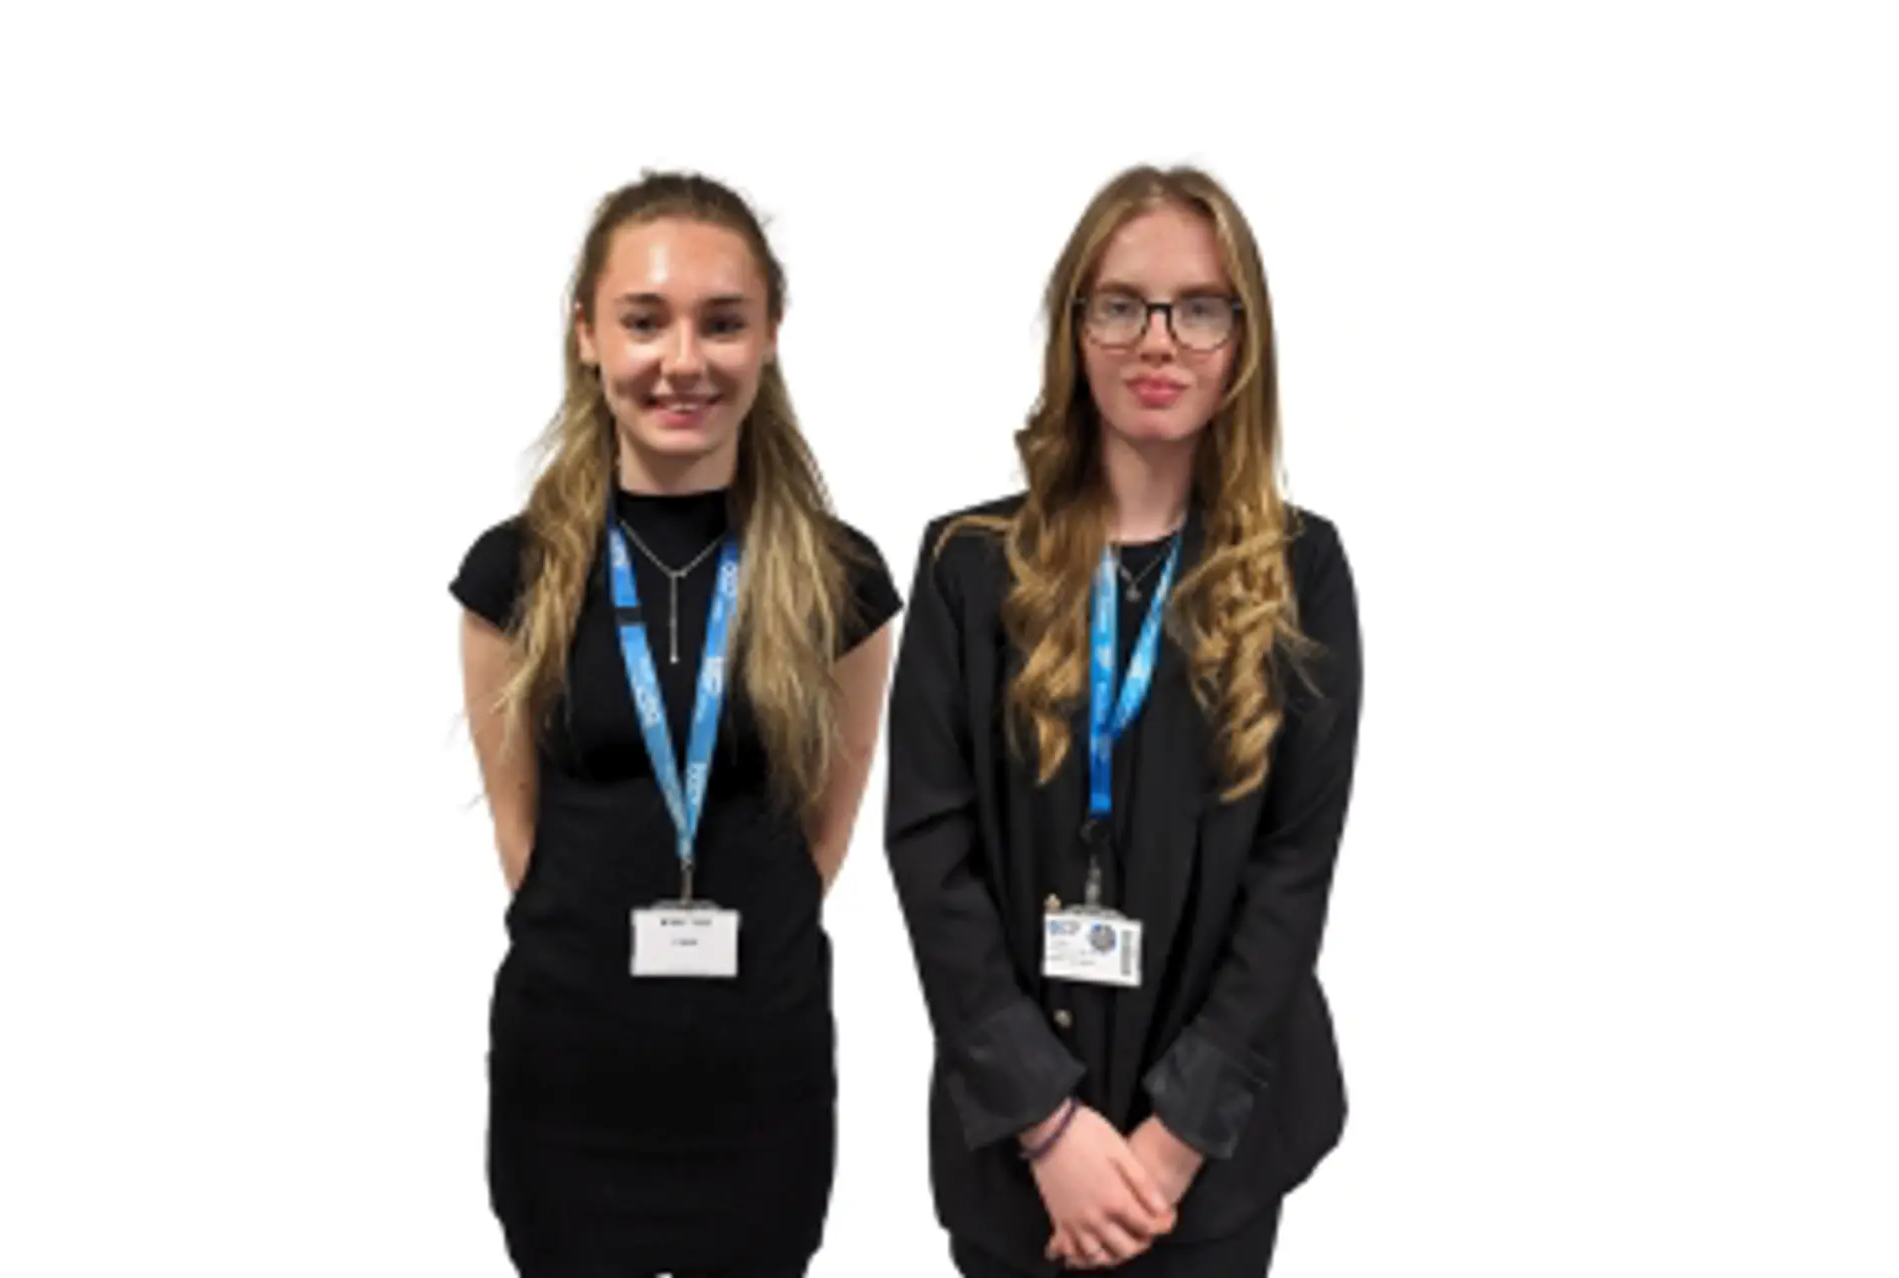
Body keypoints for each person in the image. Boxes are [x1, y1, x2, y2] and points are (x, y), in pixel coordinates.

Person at [885, 165, 1363, 1276]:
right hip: (1016, 1160)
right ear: (1074, 328)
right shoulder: (966, 566)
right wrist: (1048, 1126)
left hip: (1211, 1163)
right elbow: (930, 855)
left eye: (1199, 309)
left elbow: (1294, 875)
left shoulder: (1303, 572)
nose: (1159, 340)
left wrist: (1173, 1142)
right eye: (1121, 305)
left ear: (1244, 341)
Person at [452, 172, 899, 1276]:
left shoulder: (839, 580)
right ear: (588, 336)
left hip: (762, 1088)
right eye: (645, 321)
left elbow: (823, 839)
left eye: (723, 322)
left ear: (771, 336)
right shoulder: (515, 573)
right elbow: (521, 837)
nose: (683, 361)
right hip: (568, 1083)